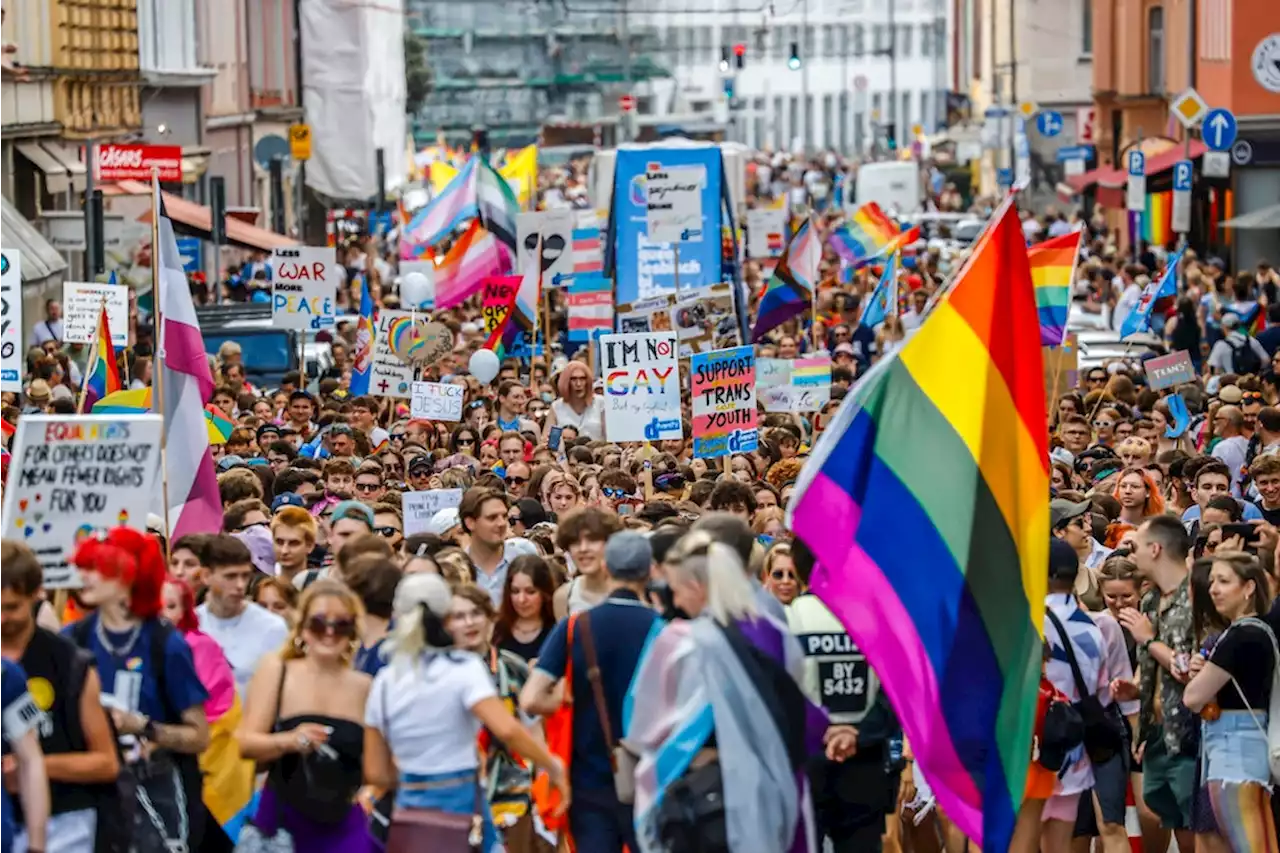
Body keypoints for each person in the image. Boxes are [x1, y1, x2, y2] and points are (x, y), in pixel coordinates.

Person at [628, 530, 840, 853]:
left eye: (676, 590)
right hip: (778, 778)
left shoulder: (683, 640)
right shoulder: (769, 625)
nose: (676, 600)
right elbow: (800, 697)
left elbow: (642, 724)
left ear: (696, 586)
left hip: (708, 795)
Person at [364, 573, 570, 853]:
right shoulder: (463, 668)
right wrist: (552, 764)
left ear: (398, 616)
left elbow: (376, 771)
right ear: (446, 617)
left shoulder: (386, 681)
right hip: (462, 797)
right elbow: (507, 729)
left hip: (411, 806)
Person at [66, 527, 212, 853]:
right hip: (90, 796)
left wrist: (142, 727)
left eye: (97, 568)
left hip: (157, 793)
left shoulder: (166, 644)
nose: (85, 576)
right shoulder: (70, 641)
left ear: (129, 577)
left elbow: (199, 736)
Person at [521, 531, 663, 853]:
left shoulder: (575, 626)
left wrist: (561, 697)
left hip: (589, 778)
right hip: (651, 773)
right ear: (650, 570)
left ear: (607, 569)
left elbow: (530, 698)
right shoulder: (664, 627)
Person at [235, 580, 373, 852]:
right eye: (319, 623)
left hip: (344, 823)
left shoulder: (365, 686)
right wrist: (291, 740)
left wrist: (370, 794)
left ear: (353, 631)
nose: (329, 633)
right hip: (284, 820)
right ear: (303, 628)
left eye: (341, 625)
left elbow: (375, 769)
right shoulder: (278, 670)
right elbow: (244, 743)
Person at [0, 540, 116, 852]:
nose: (1, 619)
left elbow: (106, 763)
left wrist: (34, 766)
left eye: (11, 608)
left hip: (63, 824)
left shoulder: (69, 662)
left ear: (36, 594)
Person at [1182, 551, 1278, 851]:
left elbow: (1192, 698)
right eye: (1212, 581)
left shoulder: (1241, 636)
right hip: (1245, 750)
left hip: (1234, 754)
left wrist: (1199, 675)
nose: (1213, 589)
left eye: (1223, 581)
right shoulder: (1257, 632)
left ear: (1248, 588)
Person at [195, 535, 289, 693]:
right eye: (230, 576)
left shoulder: (272, 627)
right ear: (206, 576)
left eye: (245, 576)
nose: (240, 585)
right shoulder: (190, 625)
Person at [552, 507, 622, 618]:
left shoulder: (632, 590)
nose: (583, 548)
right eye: (575, 542)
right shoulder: (564, 596)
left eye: (592, 540)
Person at [493, 554, 559, 662]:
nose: (521, 599)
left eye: (530, 592)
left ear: (544, 593)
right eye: (515, 591)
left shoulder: (557, 630)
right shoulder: (497, 630)